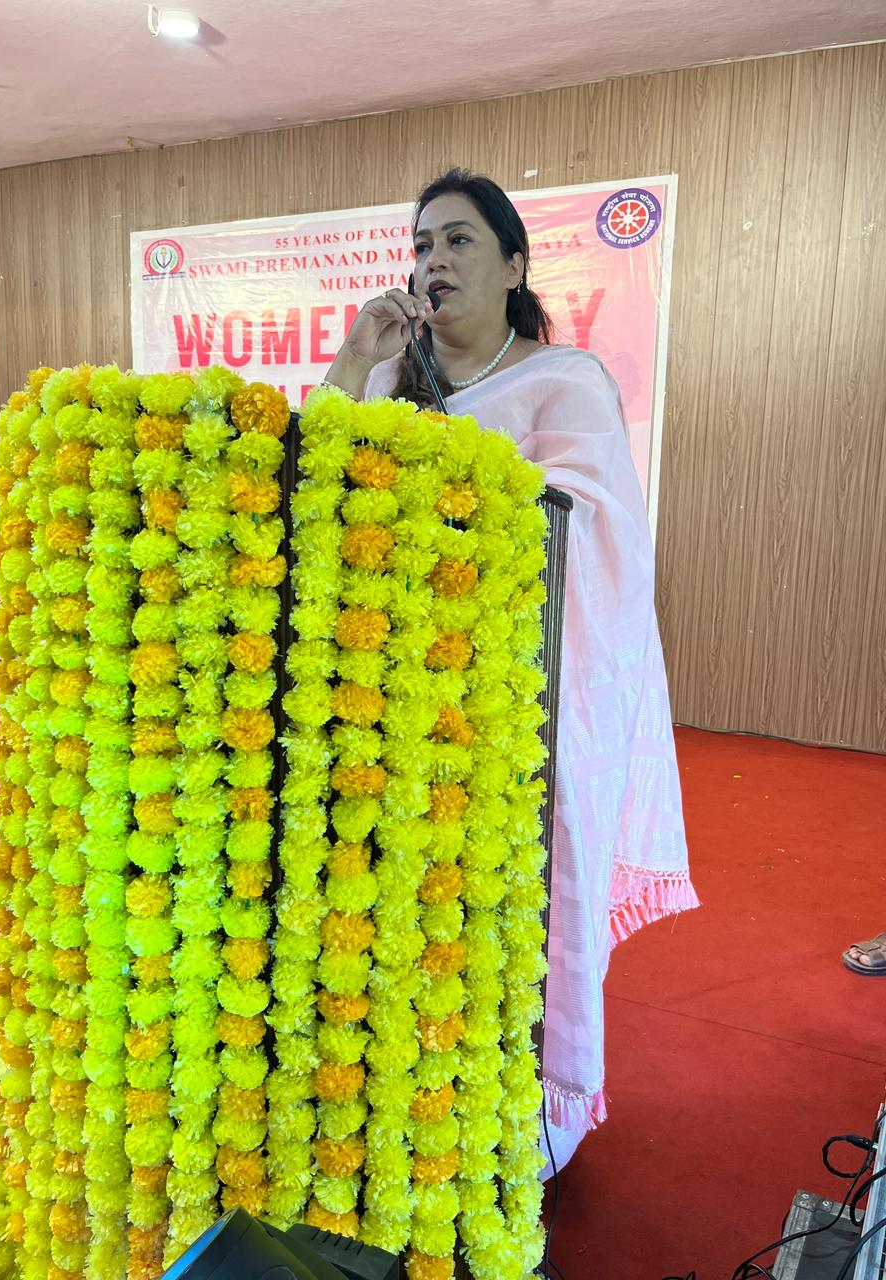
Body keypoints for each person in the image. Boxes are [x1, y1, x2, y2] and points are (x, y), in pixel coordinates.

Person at [324, 168, 699, 1175]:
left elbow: (589, 530)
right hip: (388, 700)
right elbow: (314, 480)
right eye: (421, 245)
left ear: (515, 264)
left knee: (502, 912)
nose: (433, 262)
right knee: (400, 903)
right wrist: (356, 358)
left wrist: (441, 491)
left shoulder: (564, 379)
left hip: (510, 707)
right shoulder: (388, 379)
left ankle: (524, 1108)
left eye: (457, 241)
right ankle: (399, 1089)